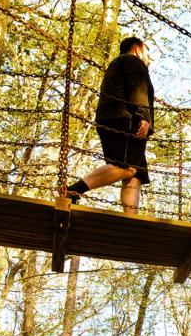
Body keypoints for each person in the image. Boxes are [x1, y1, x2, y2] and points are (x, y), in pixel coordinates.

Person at [64, 36, 155, 214]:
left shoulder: (118, 65)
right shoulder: (132, 60)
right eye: (147, 53)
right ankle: (73, 190)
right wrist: (144, 116)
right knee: (126, 167)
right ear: (137, 49)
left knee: (136, 174)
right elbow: (138, 88)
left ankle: (131, 219)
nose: (149, 59)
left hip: (116, 117)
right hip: (127, 119)